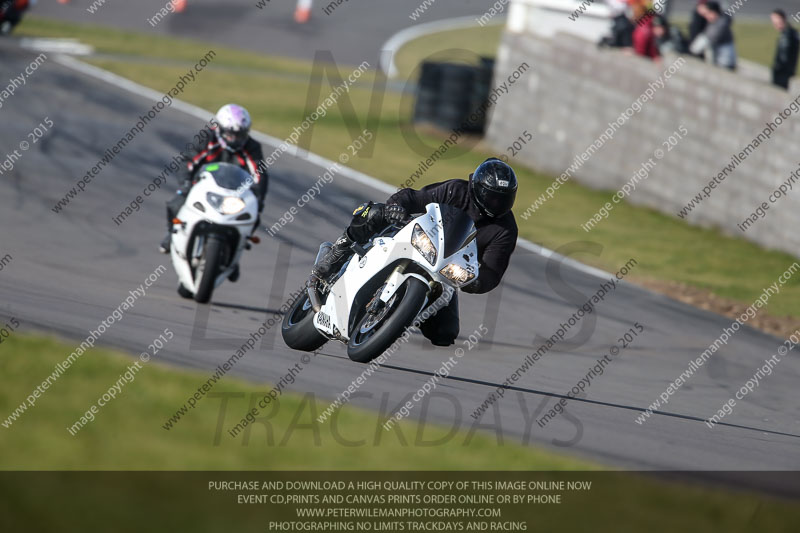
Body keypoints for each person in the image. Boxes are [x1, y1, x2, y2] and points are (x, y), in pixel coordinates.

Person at [308, 158, 519, 347]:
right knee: (374, 212)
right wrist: (396, 207)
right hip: (417, 237)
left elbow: (493, 270)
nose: (497, 203)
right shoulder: (457, 190)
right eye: (492, 197)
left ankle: (400, 317)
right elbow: (414, 197)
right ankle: (337, 252)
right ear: (477, 188)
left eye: (503, 199)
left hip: (444, 270)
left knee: (445, 334)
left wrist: (474, 282)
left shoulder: (506, 229)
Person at [160, 104, 268, 255]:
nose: (235, 139)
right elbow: (188, 161)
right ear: (221, 129)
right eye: (231, 134)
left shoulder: (252, 147)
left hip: (235, 194)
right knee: (176, 203)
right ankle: (172, 234)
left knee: (254, 216)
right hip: (204, 187)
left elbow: (260, 174)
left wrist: (258, 198)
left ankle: (235, 250)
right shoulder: (208, 139)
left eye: (240, 134)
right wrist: (186, 183)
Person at [693, 1, 737, 70]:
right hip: (723, 59)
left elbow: (707, 39)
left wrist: (692, 50)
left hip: (725, 61)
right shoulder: (719, 21)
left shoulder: (719, 24)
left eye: (708, 13)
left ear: (713, 12)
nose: (706, 16)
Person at [770, 9, 799, 90]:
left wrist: (778, 68)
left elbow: (784, 58)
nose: (774, 24)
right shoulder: (790, 33)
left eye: (775, 20)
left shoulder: (787, 35)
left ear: (781, 18)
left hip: (783, 76)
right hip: (785, 74)